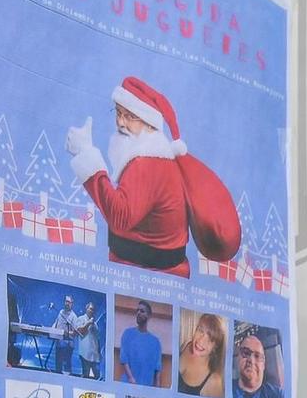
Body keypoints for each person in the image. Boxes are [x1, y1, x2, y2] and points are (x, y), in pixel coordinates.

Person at [66, 76, 211, 276]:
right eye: (118, 113)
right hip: (151, 270)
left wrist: (85, 154)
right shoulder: (156, 160)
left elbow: (120, 217)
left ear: (150, 123)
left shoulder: (147, 163)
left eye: (129, 116)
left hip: (146, 272)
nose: (120, 123)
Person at [231, 327, 284, 398]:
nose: (251, 360)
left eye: (257, 356)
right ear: (238, 358)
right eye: (246, 353)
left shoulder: (278, 397)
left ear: (263, 365)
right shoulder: (224, 389)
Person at [177, 312, 225, 398]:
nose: (201, 340)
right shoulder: (186, 345)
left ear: (215, 347)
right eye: (200, 330)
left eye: (210, 339)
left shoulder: (215, 382)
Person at [118, 299, 164, 386]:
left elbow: (157, 370)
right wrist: (131, 379)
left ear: (149, 316)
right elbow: (124, 360)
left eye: (142, 311)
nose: (138, 313)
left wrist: (157, 392)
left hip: (146, 389)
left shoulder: (155, 342)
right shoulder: (128, 334)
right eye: (137, 310)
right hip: (128, 386)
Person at [49, 294, 79, 374]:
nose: (67, 303)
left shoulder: (74, 316)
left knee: (66, 368)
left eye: (69, 302)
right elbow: (56, 323)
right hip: (59, 344)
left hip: (68, 346)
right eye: (66, 301)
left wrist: (66, 333)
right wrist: (50, 330)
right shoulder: (61, 312)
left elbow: (75, 333)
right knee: (58, 367)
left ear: (72, 303)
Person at [74, 300, 103, 380]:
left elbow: (97, 339)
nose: (91, 311)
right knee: (85, 376)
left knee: (98, 377)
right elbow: (80, 332)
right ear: (86, 309)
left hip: (95, 355)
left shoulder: (95, 324)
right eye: (90, 309)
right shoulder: (81, 319)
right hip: (85, 354)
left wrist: (99, 352)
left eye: (93, 309)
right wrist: (88, 323)